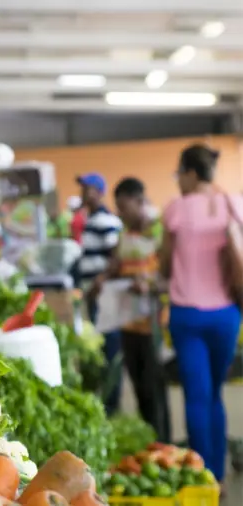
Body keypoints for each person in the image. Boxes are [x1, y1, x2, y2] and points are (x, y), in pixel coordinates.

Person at [161, 144, 242, 488]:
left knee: (196, 395)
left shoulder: (176, 209)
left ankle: (204, 477)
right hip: (226, 315)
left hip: (187, 316)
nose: (178, 180)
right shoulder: (233, 204)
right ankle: (220, 474)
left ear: (191, 173)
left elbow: (164, 264)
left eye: (179, 174)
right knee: (215, 393)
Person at [94, 177, 171, 442]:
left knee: (153, 389)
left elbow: (170, 277)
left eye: (124, 207)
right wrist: (104, 277)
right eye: (118, 208)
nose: (120, 213)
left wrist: (148, 284)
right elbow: (117, 264)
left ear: (140, 201)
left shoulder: (162, 233)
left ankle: (164, 442)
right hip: (127, 322)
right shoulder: (125, 235)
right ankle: (151, 442)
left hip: (152, 325)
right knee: (139, 387)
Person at [75, 172, 123, 415]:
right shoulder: (90, 219)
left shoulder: (106, 221)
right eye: (83, 188)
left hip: (104, 295)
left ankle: (112, 404)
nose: (84, 193)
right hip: (95, 294)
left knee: (110, 348)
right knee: (103, 349)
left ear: (100, 192)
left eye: (88, 188)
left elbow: (117, 255)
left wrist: (99, 282)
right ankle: (107, 401)